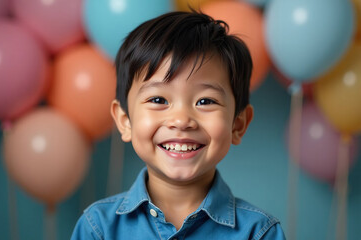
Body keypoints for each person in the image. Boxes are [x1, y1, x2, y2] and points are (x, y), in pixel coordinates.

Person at [71, 11, 286, 240]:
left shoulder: (259, 233)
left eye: (205, 101)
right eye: (158, 100)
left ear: (238, 124)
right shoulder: (98, 228)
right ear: (125, 121)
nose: (181, 120)